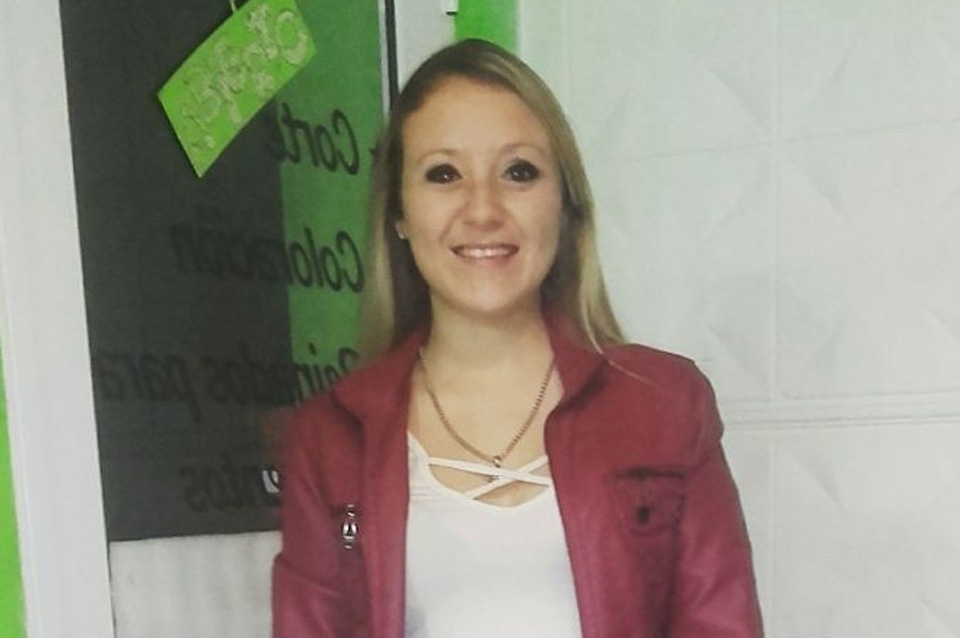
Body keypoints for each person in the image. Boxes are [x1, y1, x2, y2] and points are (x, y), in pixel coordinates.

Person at [272, 39, 763, 638]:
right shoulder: (329, 438)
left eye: (519, 172)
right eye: (443, 174)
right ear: (398, 213)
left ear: (564, 205)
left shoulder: (664, 402)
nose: (483, 209)